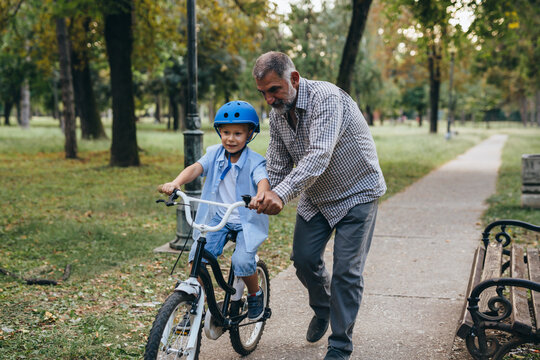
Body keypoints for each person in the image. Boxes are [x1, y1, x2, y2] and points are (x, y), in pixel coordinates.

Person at [251, 52, 386, 359]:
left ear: (294, 79)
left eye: (274, 90)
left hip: (358, 193)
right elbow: (276, 163)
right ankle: (324, 307)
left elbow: (318, 156)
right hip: (318, 197)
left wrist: (282, 194)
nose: (269, 100)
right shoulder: (278, 113)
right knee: (303, 258)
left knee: (346, 273)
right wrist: (263, 191)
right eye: (263, 93)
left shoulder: (326, 98)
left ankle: (339, 345)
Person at [160, 100, 270, 321]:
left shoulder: (256, 162)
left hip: (246, 220)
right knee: (197, 258)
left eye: (238, 133)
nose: (230, 138)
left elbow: (263, 181)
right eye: (226, 132)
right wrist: (176, 182)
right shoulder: (214, 154)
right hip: (219, 217)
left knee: (241, 261)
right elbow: (196, 168)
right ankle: (194, 304)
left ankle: (255, 293)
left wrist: (261, 196)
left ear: (250, 135)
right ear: (219, 131)